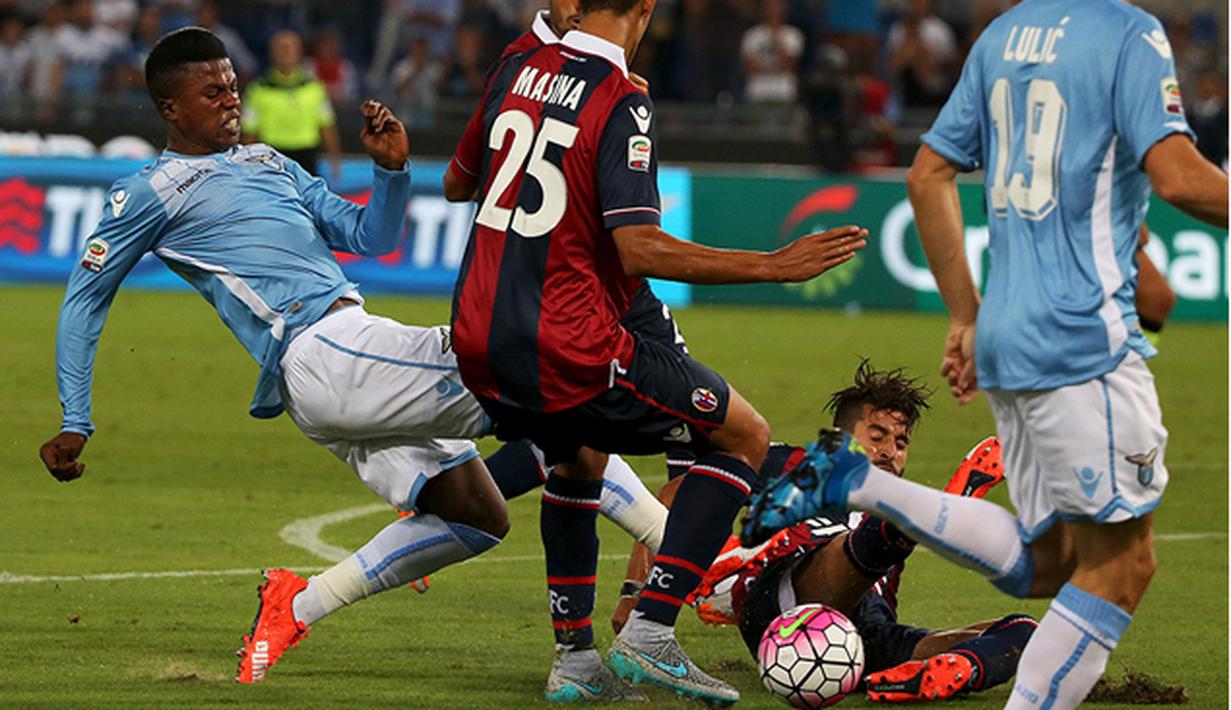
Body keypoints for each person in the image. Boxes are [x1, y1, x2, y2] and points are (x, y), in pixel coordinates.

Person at [744, 3, 1229, 709]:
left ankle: (858, 480)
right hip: (1084, 338)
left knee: (1048, 563)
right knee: (1121, 565)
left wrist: (968, 317)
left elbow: (926, 174)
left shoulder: (1000, 35)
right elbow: (1178, 178)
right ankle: (857, 484)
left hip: (1007, 332)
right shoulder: (1129, 32)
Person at [33, 27, 515, 686]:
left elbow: (369, 236)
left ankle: (297, 602)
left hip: (348, 351)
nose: (231, 100)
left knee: (478, 516)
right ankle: (680, 567)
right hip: (321, 350)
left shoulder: (270, 163)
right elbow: (84, 300)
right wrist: (76, 416)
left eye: (232, 85)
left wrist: (391, 172)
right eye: (212, 92)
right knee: (527, 370)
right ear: (172, 109)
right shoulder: (151, 192)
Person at [449, 0, 869, 703]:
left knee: (578, 456)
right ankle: (649, 632)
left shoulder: (518, 64)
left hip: (480, 336)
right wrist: (772, 265)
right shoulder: (619, 99)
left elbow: (459, 182)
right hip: (569, 340)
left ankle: (575, 664)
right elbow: (638, 245)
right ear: (645, 7)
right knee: (742, 435)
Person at [613, 362, 1037, 703]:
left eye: (901, 442)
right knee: (872, 534)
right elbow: (673, 498)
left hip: (865, 634)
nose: (890, 451)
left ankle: (951, 670)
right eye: (877, 436)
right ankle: (937, 511)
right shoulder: (788, 464)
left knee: (1026, 633)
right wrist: (637, 594)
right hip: (782, 603)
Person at [242, 30, 342, 181]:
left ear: (299, 52)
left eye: (290, 48)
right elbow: (249, 132)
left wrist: (335, 158)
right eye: (281, 48)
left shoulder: (314, 87)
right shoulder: (257, 90)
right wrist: (245, 165)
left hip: (307, 155)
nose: (286, 53)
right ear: (272, 53)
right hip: (272, 156)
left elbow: (326, 125)